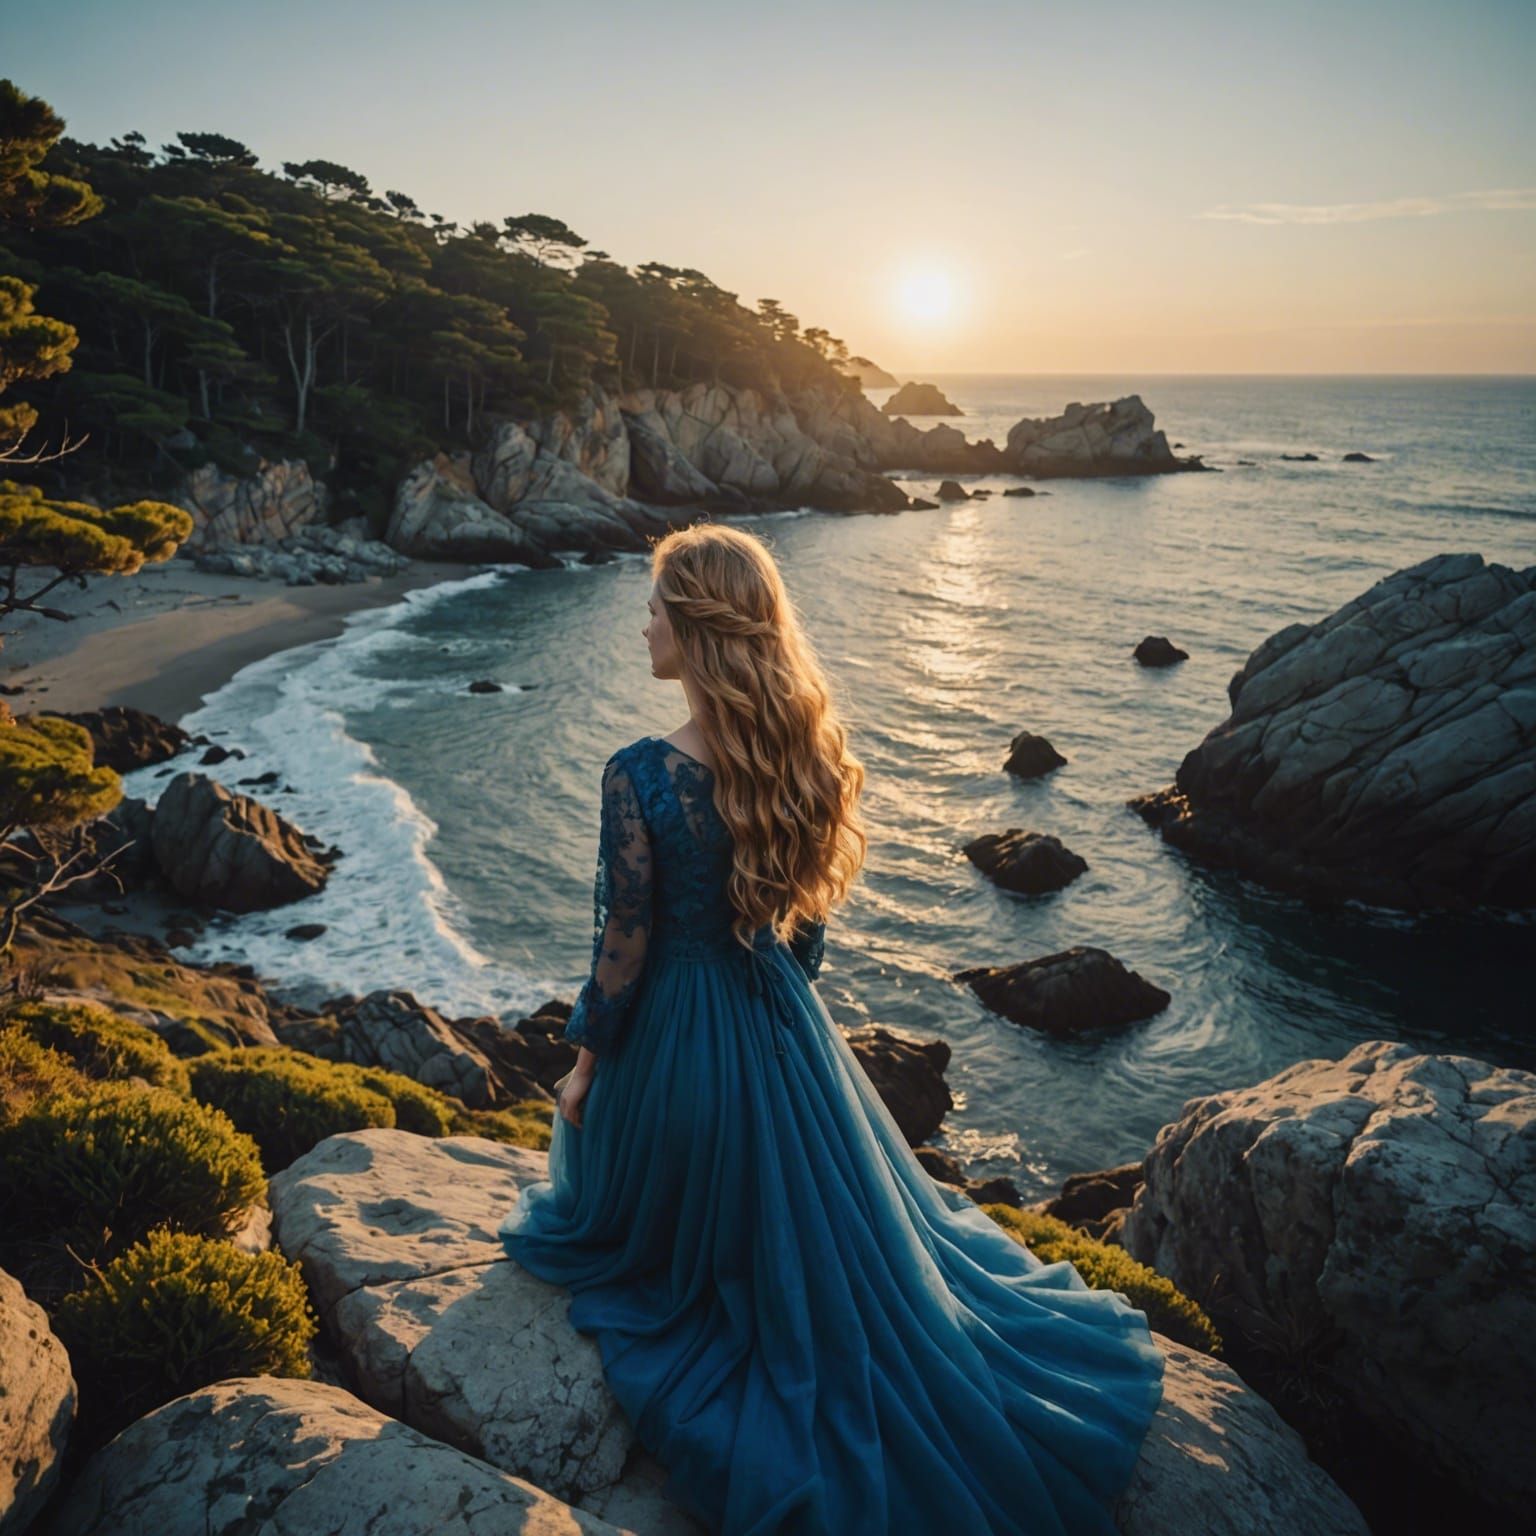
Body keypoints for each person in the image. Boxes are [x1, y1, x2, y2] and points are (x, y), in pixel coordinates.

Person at [498, 523, 1165, 1535]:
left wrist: (588, 1067)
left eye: (652, 607)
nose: (640, 626)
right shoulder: (802, 754)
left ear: (693, 624)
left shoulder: (637, 772)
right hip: (785, 1026)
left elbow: (624, 946)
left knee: (608, 1216)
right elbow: (800, 941)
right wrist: (778, 1021)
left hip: (679, 1040)